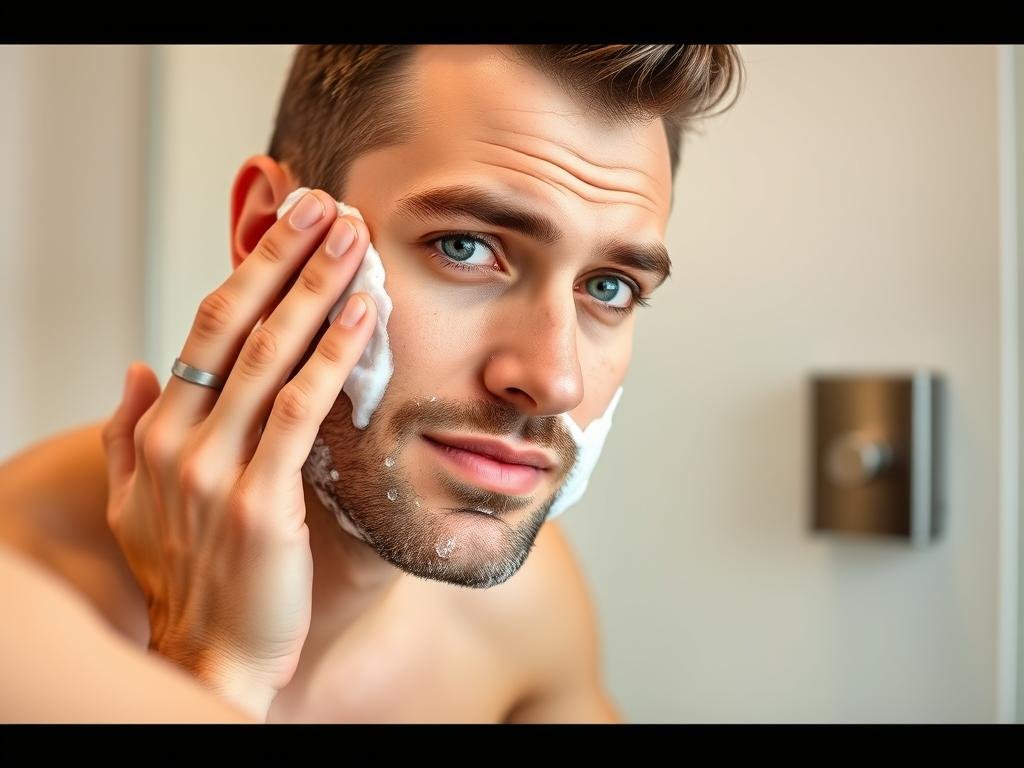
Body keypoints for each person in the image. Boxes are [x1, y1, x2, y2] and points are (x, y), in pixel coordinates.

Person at [0, 44, 744, 723]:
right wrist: (212, 672)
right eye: (466, 247)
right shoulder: (23, 595)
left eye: (610, 287)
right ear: (271, 234)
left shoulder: (525, 615)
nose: (555, 379)